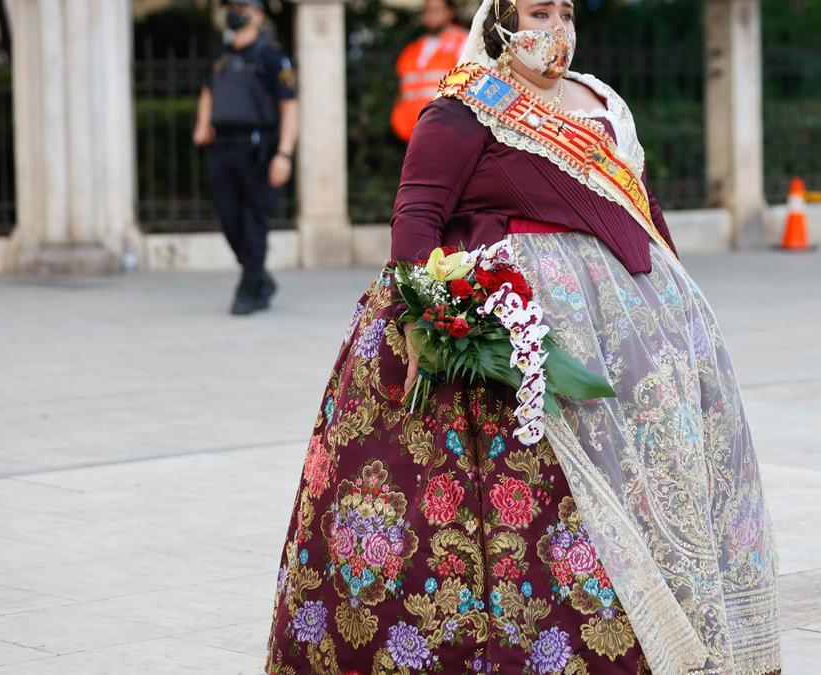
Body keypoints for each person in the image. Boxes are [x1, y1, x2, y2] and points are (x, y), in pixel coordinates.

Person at [265, 1, 780, 673]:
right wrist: (422, 322)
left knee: (649, 478)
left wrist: (679, 312)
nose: (556, 26)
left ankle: (684, 631)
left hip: (630, 332)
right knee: (536, 507)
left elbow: (643, 211)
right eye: (539, 10)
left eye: (564, 10)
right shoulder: (464, 106)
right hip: (513, 335)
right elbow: (417, 217)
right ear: (502, 21)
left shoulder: (601, 101)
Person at [192, 0, 298, 316]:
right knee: (228, 218)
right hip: (222, 146)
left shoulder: (272, 57)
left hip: (257, 148)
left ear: (258, 15)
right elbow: (208, 91)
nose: (235, 11)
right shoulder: (221, 54)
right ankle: (260, 277)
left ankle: (250, 288)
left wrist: (284, 153)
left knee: (254, 219)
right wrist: (201, 124)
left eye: (243, 5)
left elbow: (289, 106)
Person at [390, 0, 469, 142]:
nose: (431, 15)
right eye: (427, 10)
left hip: (448, 131)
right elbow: (403, 91)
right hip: (412, 132)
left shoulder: (463, 42)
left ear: (450, 12)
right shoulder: (413, 49)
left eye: (436, 10)